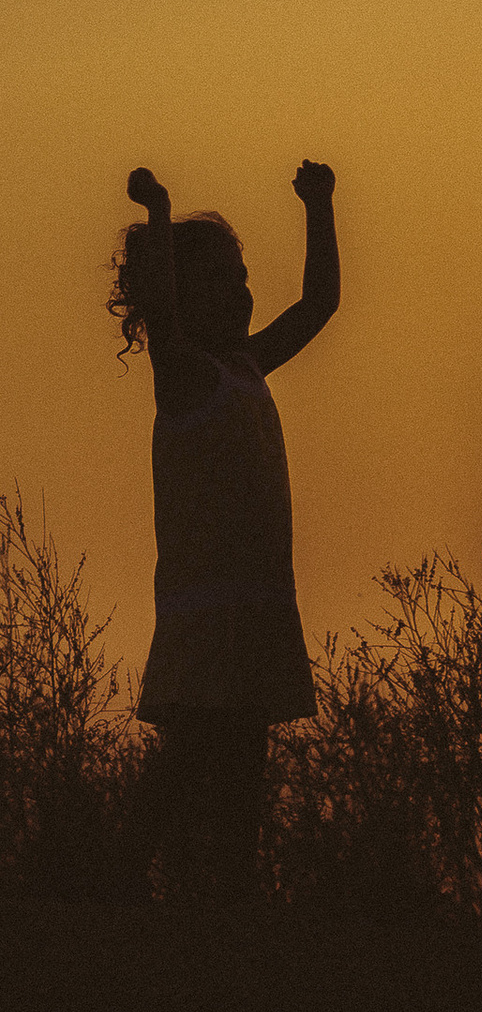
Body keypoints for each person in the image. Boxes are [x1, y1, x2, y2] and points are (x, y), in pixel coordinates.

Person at [109, 158, 341, 899]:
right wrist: (159, 214)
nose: (241, 293)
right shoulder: (182, 373)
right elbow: (166, 313)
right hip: (206, 603)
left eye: (242, 279)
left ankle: (223, 894)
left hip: (259, 597)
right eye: (220, 281)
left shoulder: (247, 365)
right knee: (193, 751)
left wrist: (319, 207)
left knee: (241, 750)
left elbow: (319, 303)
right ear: (173, 294)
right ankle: (115, 881)